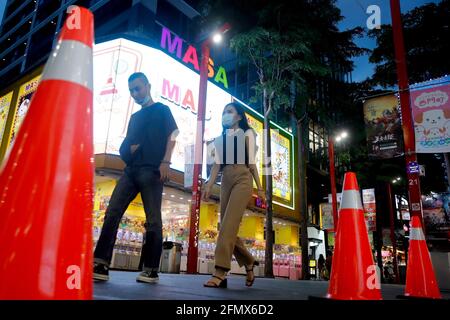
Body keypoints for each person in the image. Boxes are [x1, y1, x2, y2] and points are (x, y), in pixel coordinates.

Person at [93, 72, 178, 284]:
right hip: (130, 171)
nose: (135, 93)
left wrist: (166, 162)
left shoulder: (162, 110)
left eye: (138, 88)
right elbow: (127, 145)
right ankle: (101, 262)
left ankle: (150, 269)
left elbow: (173, 135)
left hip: (152, 170)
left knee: (153, 220)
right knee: (112, 212)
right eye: (131, 90)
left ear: (148, 86)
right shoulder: (134, 118)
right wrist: (129, 149)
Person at [202, 102, 265, 288]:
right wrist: (209, 184)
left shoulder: (248, 134)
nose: (225, 115)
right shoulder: (221, 138)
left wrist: (260, 189)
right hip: (226, 181)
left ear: (239, 116)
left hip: (243, 179)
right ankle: (249, 261)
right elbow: (216, 165)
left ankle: (220, 270)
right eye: (223, 112)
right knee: (226, 228)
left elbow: (252, 163)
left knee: (228, 226)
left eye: (229, 112)